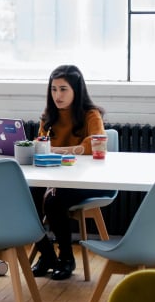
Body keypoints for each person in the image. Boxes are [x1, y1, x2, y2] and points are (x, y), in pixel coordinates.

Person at [31, 65, 110, 280]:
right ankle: (46, 254)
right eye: (54, 89)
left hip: (87, 180)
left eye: (63, 89)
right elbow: (41, 145)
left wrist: (58, 150)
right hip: (54, 177)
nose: (58, 95)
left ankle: (66, 257)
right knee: (26, 197)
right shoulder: (48, 116)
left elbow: (95, 144)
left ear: (76, 90)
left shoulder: (90, 115)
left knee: (53, 200)